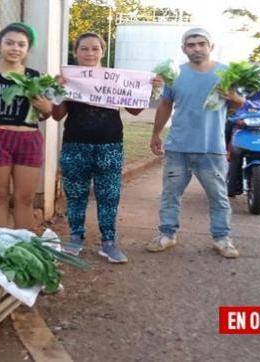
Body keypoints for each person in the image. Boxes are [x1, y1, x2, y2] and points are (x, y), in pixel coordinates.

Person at [52, 32, 159, 263]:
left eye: (95, 49)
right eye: (84, 49)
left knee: (109, 195)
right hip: (75, 145)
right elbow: (56, 115)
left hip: (110, 145)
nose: (90, 53)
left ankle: (109, 242)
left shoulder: (115, 79)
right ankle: (75, 238)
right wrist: (57, 90)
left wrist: (149, 89)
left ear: (102, 52)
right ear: (75, 52)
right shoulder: (69, 78)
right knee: (76, 195)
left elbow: (134, 110)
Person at [146, 28, 245, 258]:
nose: (197, 48)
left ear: (211, 46)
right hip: (178, 147)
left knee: (219, 197)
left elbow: (241, 103)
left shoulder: (226, 73)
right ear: (184, 49)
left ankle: (222, 239)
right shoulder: (175, 75)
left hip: (211, 149)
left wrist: (233, 97)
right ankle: (167, 235)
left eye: (201, 43)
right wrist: (156, 134)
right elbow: (164, 106)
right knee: (170, 195)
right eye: (191, 45)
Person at [0, 23, 53, 231]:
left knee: (24, 198)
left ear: (27, 49)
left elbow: (46, 113)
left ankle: (24, 244)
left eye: (21, 44)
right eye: (9, 43)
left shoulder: (35, 77)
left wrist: (44, 106)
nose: (15, 48)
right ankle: (2, 244)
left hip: (28, 140)